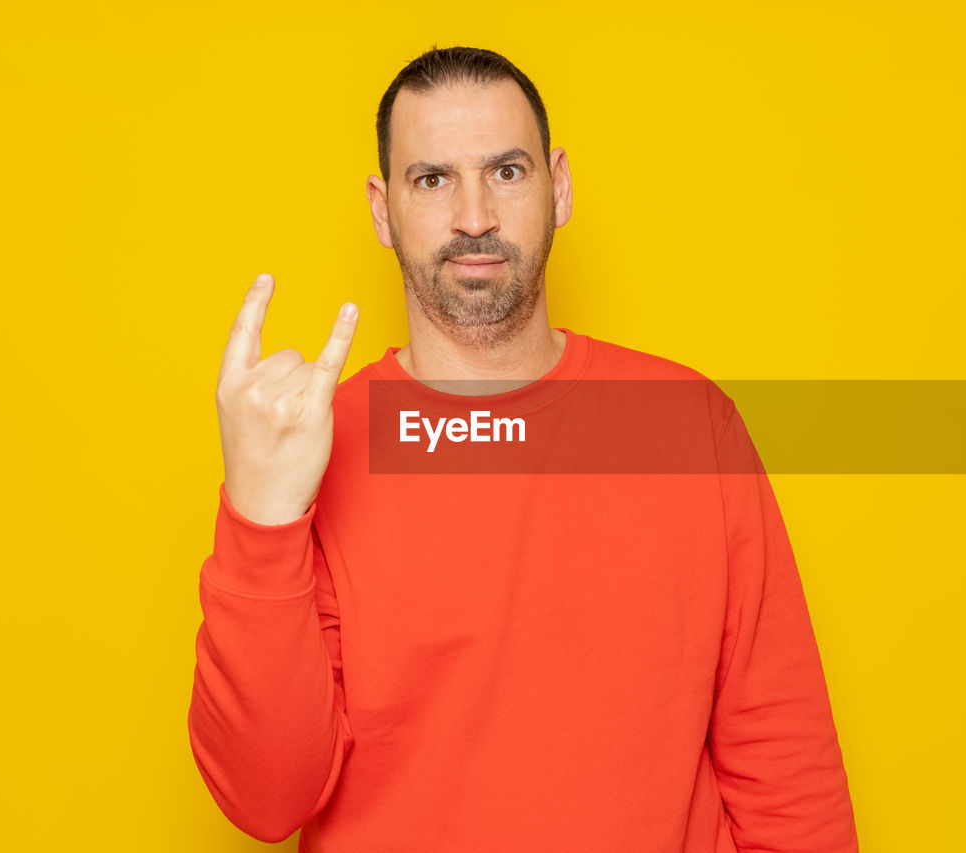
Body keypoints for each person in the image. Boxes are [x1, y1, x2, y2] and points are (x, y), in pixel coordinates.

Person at [189, 45, 858, 852]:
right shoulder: (314, 447)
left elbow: (785, 770)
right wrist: (261, 514)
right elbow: (268, 798)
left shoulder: (688, 427)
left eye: (506, 171)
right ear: (381, 209)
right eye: (432, 180)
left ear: (560, 186)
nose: (474, 216)